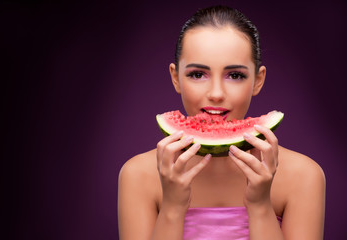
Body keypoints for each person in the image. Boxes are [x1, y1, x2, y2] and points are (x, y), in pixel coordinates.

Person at [118, 5, 325, 240]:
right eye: (197, 74)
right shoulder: (138, 176)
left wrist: (259, 205)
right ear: (176, 78)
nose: (216, 93)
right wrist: (172, 207)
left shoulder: (304, 176)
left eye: (235, 75)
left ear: (258, 80)